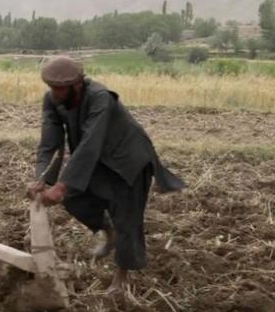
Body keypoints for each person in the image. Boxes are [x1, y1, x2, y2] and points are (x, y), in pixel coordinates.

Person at [27, 55, 184, 292]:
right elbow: (50, 143)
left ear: (77, 84)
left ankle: (122, 278)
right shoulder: (52, 100)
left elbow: (90, 143)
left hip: (128, 158)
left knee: (126, 218)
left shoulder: (99, 97)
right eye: (52, 88)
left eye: (60, 88)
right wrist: (43, 178)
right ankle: (108, 231)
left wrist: (61, 185)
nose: (55, 94)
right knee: (74, 197)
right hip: (99, 159)